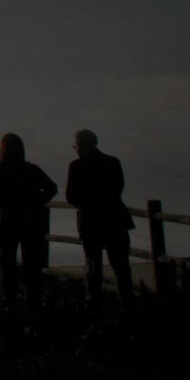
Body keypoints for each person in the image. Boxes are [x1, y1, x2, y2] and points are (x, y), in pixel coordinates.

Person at [0, 134, 57, 315]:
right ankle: (33, 300)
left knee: (7, 264)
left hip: (6, 223)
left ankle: (11, 302)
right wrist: (37, 201)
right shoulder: (32, 169)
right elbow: (51, 188)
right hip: (31, 223)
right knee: (32, 264)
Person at [66, 129, 134, 310]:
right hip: (116, 218)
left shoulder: (77, 166)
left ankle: (94, 307)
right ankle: (127, 306)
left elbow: (71, 197)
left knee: (93, 265)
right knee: (121, 266)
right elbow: (118, 188)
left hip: (90, 221)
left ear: (80, 145)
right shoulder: (113, 162)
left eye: (75, 145)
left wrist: (87, 202)